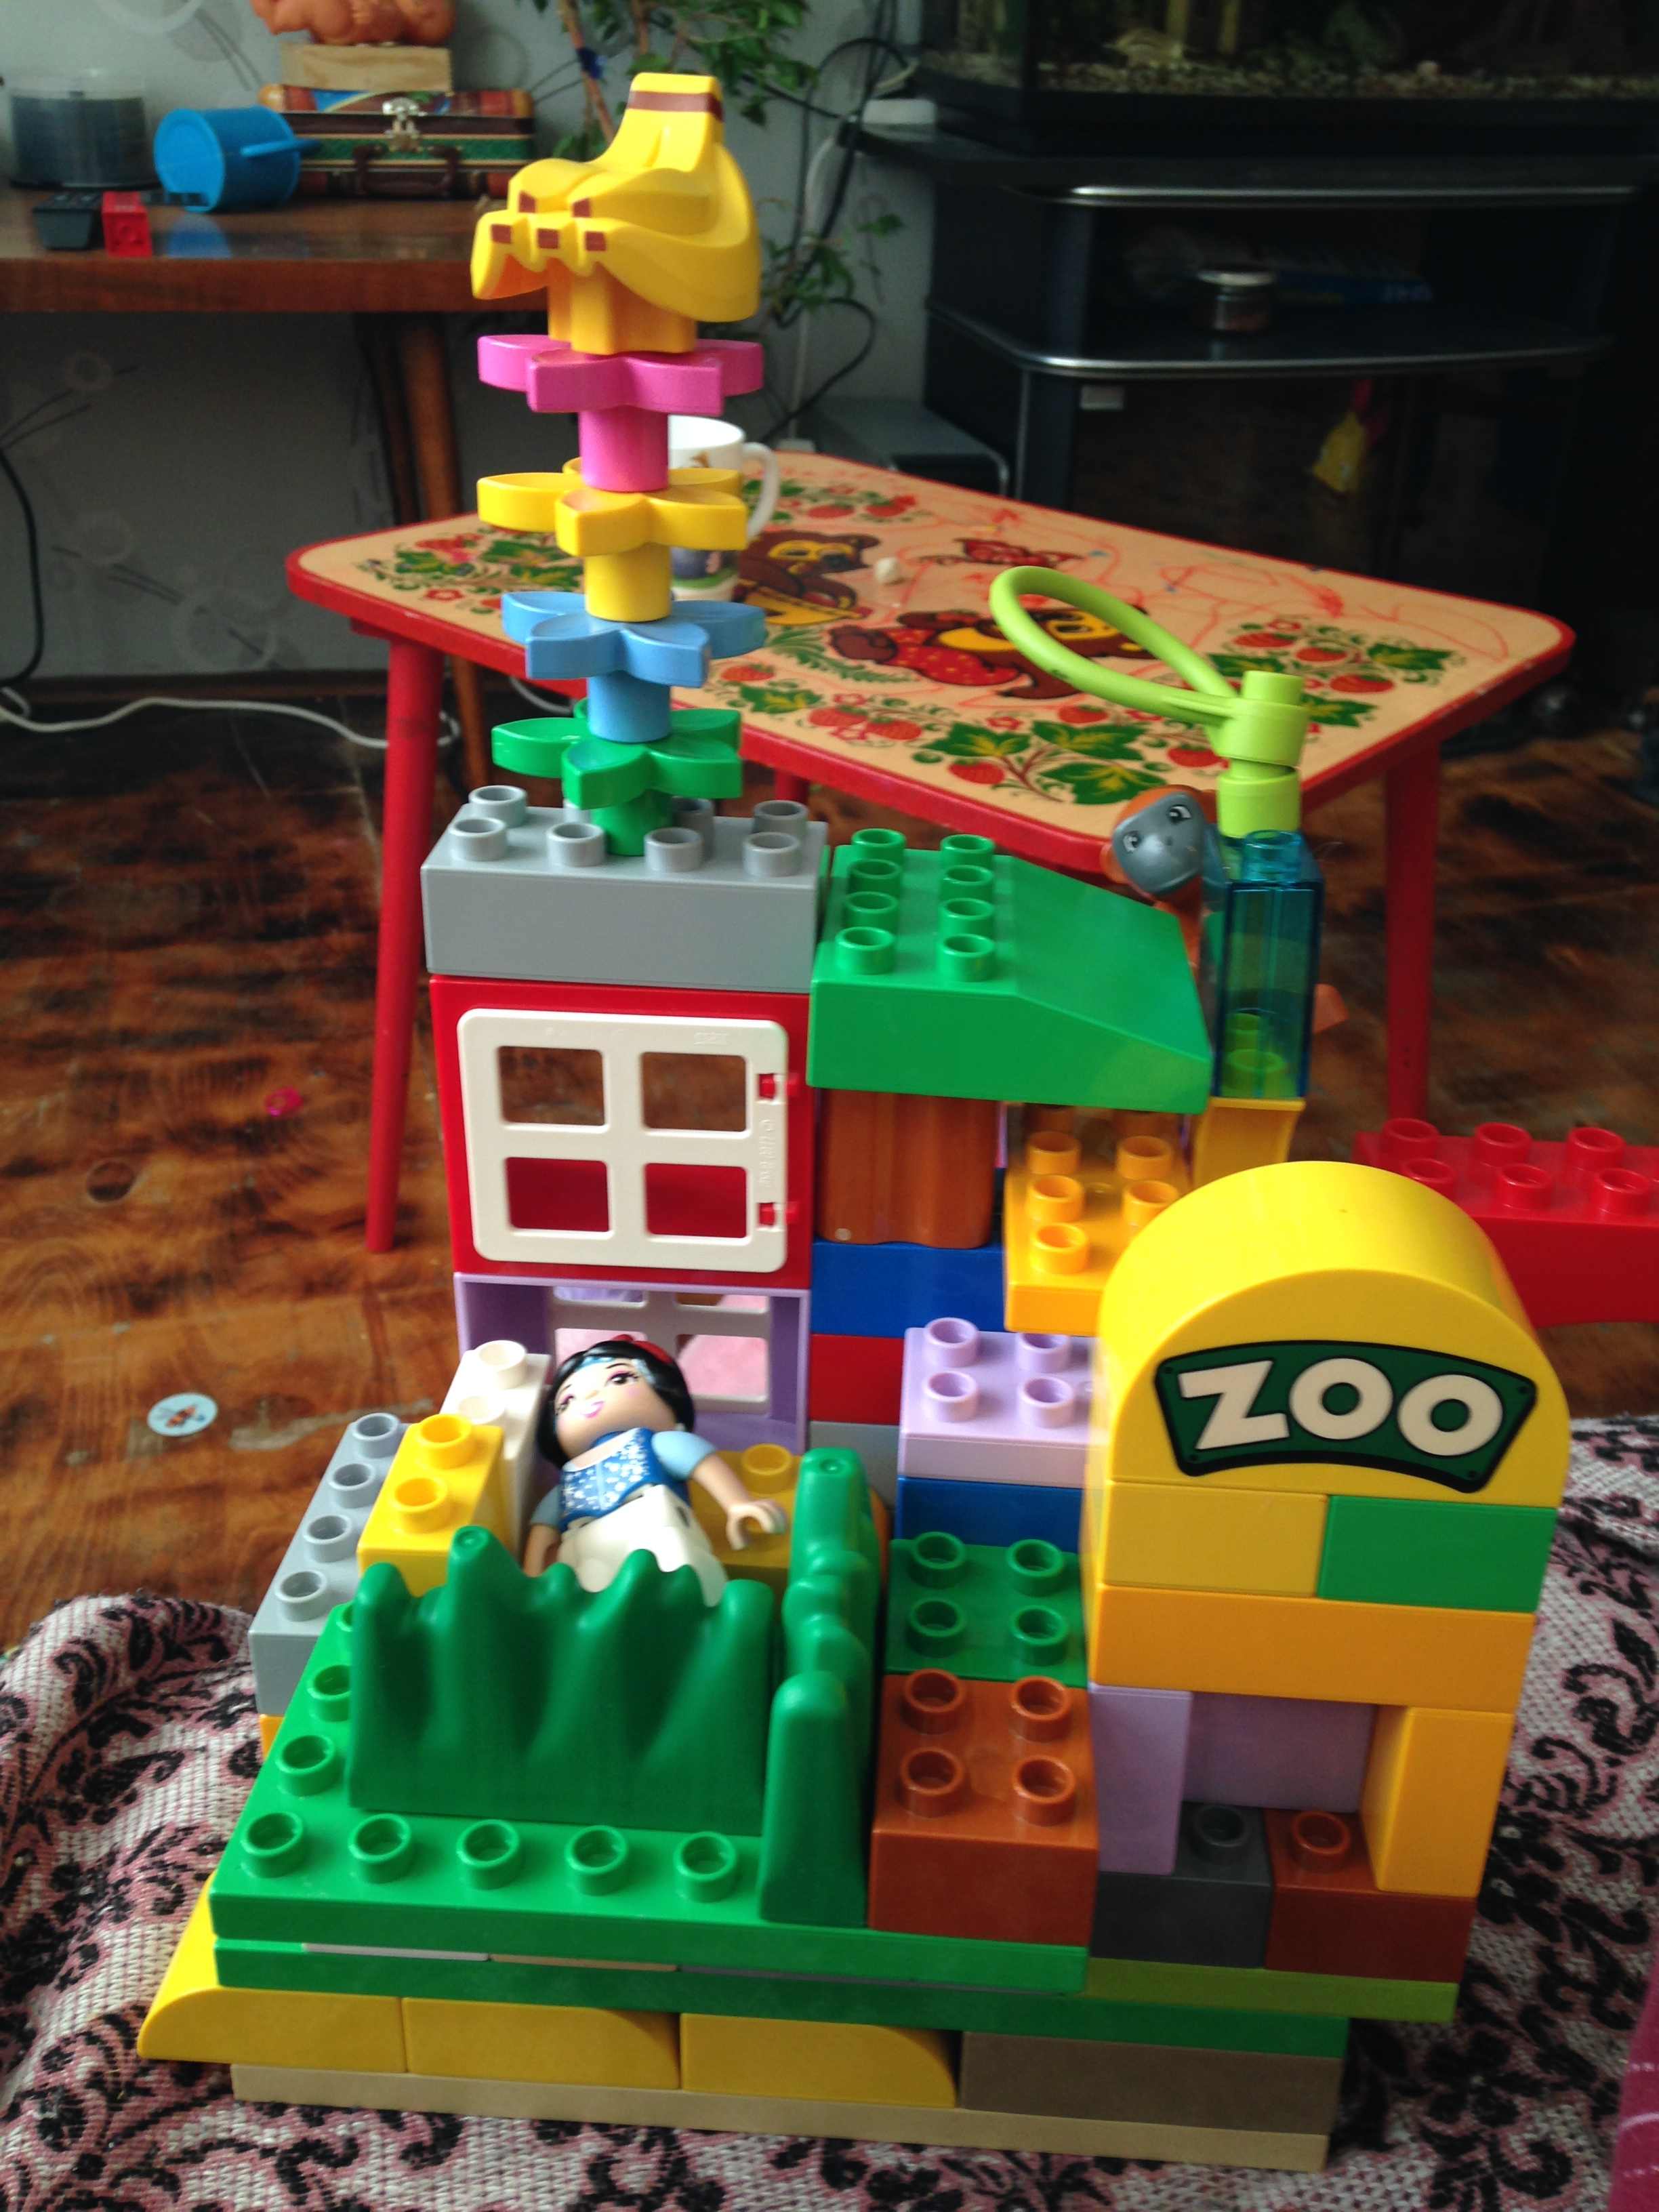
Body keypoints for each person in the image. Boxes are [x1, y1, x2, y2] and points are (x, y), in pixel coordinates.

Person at [523, 1337, 786, 1604]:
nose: (590, 1396)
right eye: (567, 1401)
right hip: (586, 1548)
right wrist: (533, 1578)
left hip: (653, 1524)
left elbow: (702, 1463)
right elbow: (543, 1530)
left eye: (619, 1379)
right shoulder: (568, 1481)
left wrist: (738, 1505)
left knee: (679, 1581)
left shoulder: (653, 1444)